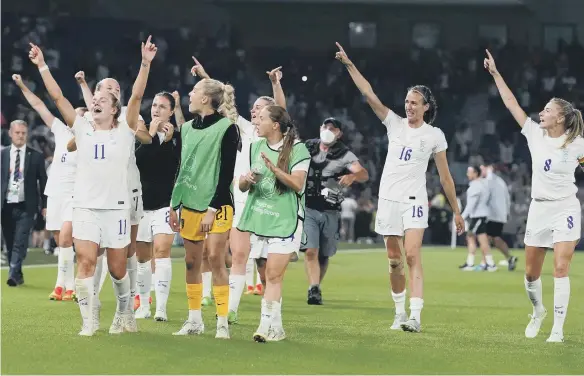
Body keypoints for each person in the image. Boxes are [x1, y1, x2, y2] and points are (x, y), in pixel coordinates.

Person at [29, 36, 156, 335]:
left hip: (116, 210)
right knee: (85, 261)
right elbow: (58, 98)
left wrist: (145, 64)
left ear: (115, 109)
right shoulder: (82, 128)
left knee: (117, 269)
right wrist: (43, 66)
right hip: (85, 207)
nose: (95, 101)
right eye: (94, 99)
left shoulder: (125, 130)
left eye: (103, 100)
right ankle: (90, 319)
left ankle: (125, 311)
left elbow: (136, 97)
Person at [335, 42, 464, 333]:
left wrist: (457, 211)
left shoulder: (434, 135)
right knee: (394, 261)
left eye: (415, 102)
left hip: (415, 200)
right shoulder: (394, 124)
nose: (409, 105)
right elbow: (368, 93)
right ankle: (399, 312)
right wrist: (349, 65)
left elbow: (445, 178)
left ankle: (415, 317)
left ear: (426, 107)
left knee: (413, 254)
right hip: (389, 199)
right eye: (407, 101)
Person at [484, 49, 584, 343]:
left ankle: (558, 329)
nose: (541, 113)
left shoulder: (578, 145)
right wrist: (495, 74)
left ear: (561, 117)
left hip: (565, 207)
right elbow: (511, 103)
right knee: (530, 274)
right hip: (539, 209)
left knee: (562, 267)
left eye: (547, 110)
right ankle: (538, 311)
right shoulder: (534, 135)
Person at [189, 58, 287, 323]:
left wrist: (275, 84)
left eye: (260, 109)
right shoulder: (245, 130)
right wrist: (206, 76)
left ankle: (271, 316)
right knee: (239, 256)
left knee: (266, 267)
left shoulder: (276, 137)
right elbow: (221, 102)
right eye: (253, 109)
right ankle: (230, 309)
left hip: (270, 204)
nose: (254, 113)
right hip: (242, 201)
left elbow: (282, 109)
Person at [72, 71, 150, 311]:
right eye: (106, 89)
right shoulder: (93, 118)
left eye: (115, 90)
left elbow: (146, 138)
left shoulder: (128, 115)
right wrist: (84, 86)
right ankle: (91, 295)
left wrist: (138, 129)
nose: (110, 93)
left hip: (127, 188)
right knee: (93, 250)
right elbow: (75, 139)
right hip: (98, 192)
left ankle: (132, 298)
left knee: (127, 250)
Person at [169, 77, 239, 339]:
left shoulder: (227, 128)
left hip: (217, 204)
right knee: (190, 263)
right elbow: (181, 168)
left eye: (195, 91)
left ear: (206, 99)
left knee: (215, 259)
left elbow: (226, 172)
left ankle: (222, 322)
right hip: (189, 203)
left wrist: (213, 206)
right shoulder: (186, 128)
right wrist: (174, 203)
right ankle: (194, 320)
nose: (190, 93)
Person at [237, 105, 311, 342]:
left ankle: (263, 326)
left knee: (273, 274)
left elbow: (298, 184)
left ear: (275, 125)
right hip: (261, 219)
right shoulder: (255, 146)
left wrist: (275, 169)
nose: (256, 122)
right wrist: (246, 181)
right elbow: (242, 186)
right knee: (265, 274)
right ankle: (277, 328)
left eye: (261, 119)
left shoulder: (298, 150)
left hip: (285, 220)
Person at [11, 73, 85, 299]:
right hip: (54, 193)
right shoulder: (60, 130)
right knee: (58, 240)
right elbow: (39, 105)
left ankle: (65, 286)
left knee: (65, 238)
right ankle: (65, 283)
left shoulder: (89, 138)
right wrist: (22, 84)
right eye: (76, 114)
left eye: (82, 116)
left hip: (75, 193)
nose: (76, 118)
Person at [301, 117, 368, 305]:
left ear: (339, 133)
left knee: (324, 254)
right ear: (320, 128)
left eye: (333, 128)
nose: (328, 130)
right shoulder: (307, 147)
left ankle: (315, 286)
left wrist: (352, 176)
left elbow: (363, 173)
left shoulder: (344, 154)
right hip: (309, 207)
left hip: (331, 209)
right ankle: (313, 287)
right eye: (325, 126)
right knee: (311, 250)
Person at [134, 91, 180, 322]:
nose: (156, 109)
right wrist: (151, 133)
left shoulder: (178, 137)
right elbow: (139, 160)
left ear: (171, 111)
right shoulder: (142, 133)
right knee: (142, 258)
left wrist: (170, 141)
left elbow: (176, 168)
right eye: (154, 105)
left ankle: (161, 308)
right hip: (141, 204)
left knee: (161, 251)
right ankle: (143, 305)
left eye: (162, 106)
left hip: (165, 203)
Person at [1, 119, 48, 287]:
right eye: (17, 133)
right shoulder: (3, 154)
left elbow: (43, 182)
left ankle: (12, 274)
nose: (20, 136)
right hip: (5, 205)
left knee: (20, 240)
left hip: (26, 206)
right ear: (10, 133)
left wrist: (45, 205)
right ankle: (18, 272)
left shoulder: (36, 156)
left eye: (23, 133)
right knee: (10, 242)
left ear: (27, 134)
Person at [459, 165, 497, 272]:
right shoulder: (484, 183)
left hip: (478, 216)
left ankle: (476, 264)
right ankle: (488, 264)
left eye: (469, 172)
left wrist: (461, 217)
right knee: (479, 239)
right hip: (483, 215)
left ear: (476, 173)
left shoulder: (475, 186)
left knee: (474, 238)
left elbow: (471, 205)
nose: (467, 174)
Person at [480, 161, 517, 270]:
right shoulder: (501, 182)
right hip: (500, 215)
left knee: (485, 238)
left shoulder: (490, 181)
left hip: (492, 215)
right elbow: (507, 198)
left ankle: (486, 263)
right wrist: (507, 212)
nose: (481, 171)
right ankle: (510, 258)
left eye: (483, 169)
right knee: (494, 239)